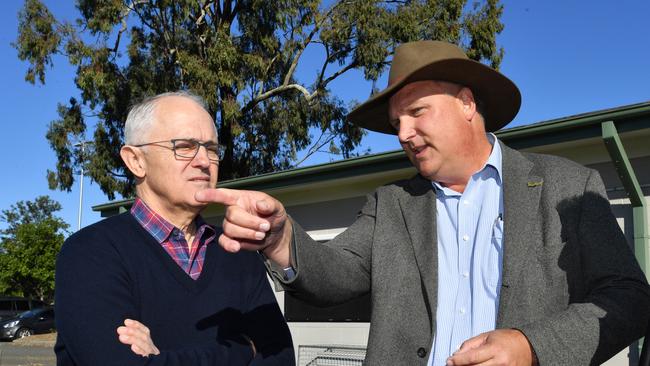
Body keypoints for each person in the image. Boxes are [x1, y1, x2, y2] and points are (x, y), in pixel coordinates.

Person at [195, 41, 650, 365]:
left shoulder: (567, 185)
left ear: (467, 103)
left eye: (417, 112)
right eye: (397, 123)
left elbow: (629, 299)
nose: (403, 135)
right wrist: (282, 238)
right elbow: (336, 274)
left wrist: (531, 347)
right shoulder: (392, 203)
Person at [54, 91, 294, 365]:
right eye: (185, 146)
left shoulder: (239, 252)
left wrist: (163, 358)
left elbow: (280, 356)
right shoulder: (90, 253)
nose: (204, 161)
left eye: (212, 149)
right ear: (136, 160)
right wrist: (243, 350)